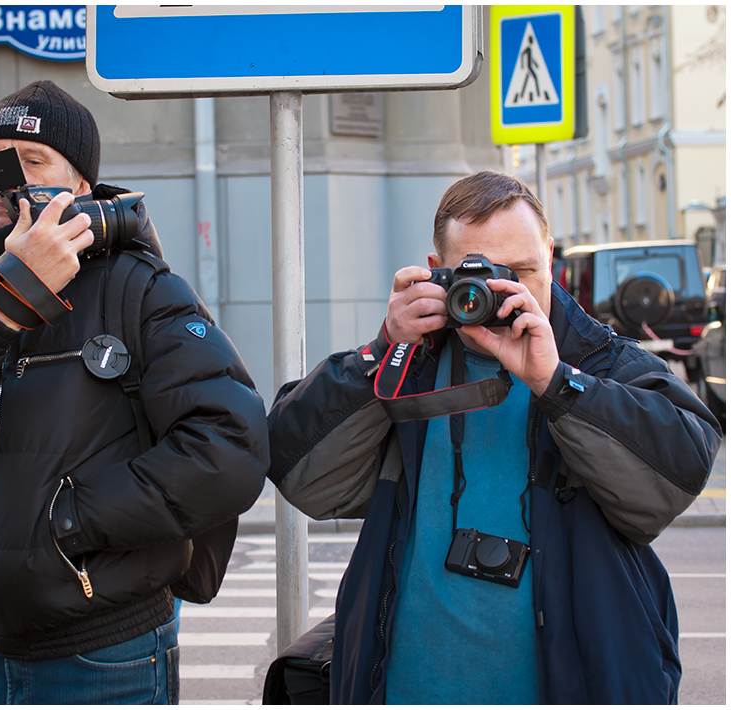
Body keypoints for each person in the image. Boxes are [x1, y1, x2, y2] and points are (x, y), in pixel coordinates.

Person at [0, 81, 269, 705]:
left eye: (32, 161)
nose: (8, 181)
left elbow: (229, 446)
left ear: (80, 186)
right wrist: (4, 302)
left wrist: (71, 522)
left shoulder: (138, 287)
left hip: (105, 655)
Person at [266, 171, 722, 704]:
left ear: (551, 256)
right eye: (479, 274)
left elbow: (678, 474)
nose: (504, 293)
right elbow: (299, 472)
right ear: (437, 271)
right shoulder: (404, 365)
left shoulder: (602, 363)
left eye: (524, 271)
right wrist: (380, 352)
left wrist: (559, 384)